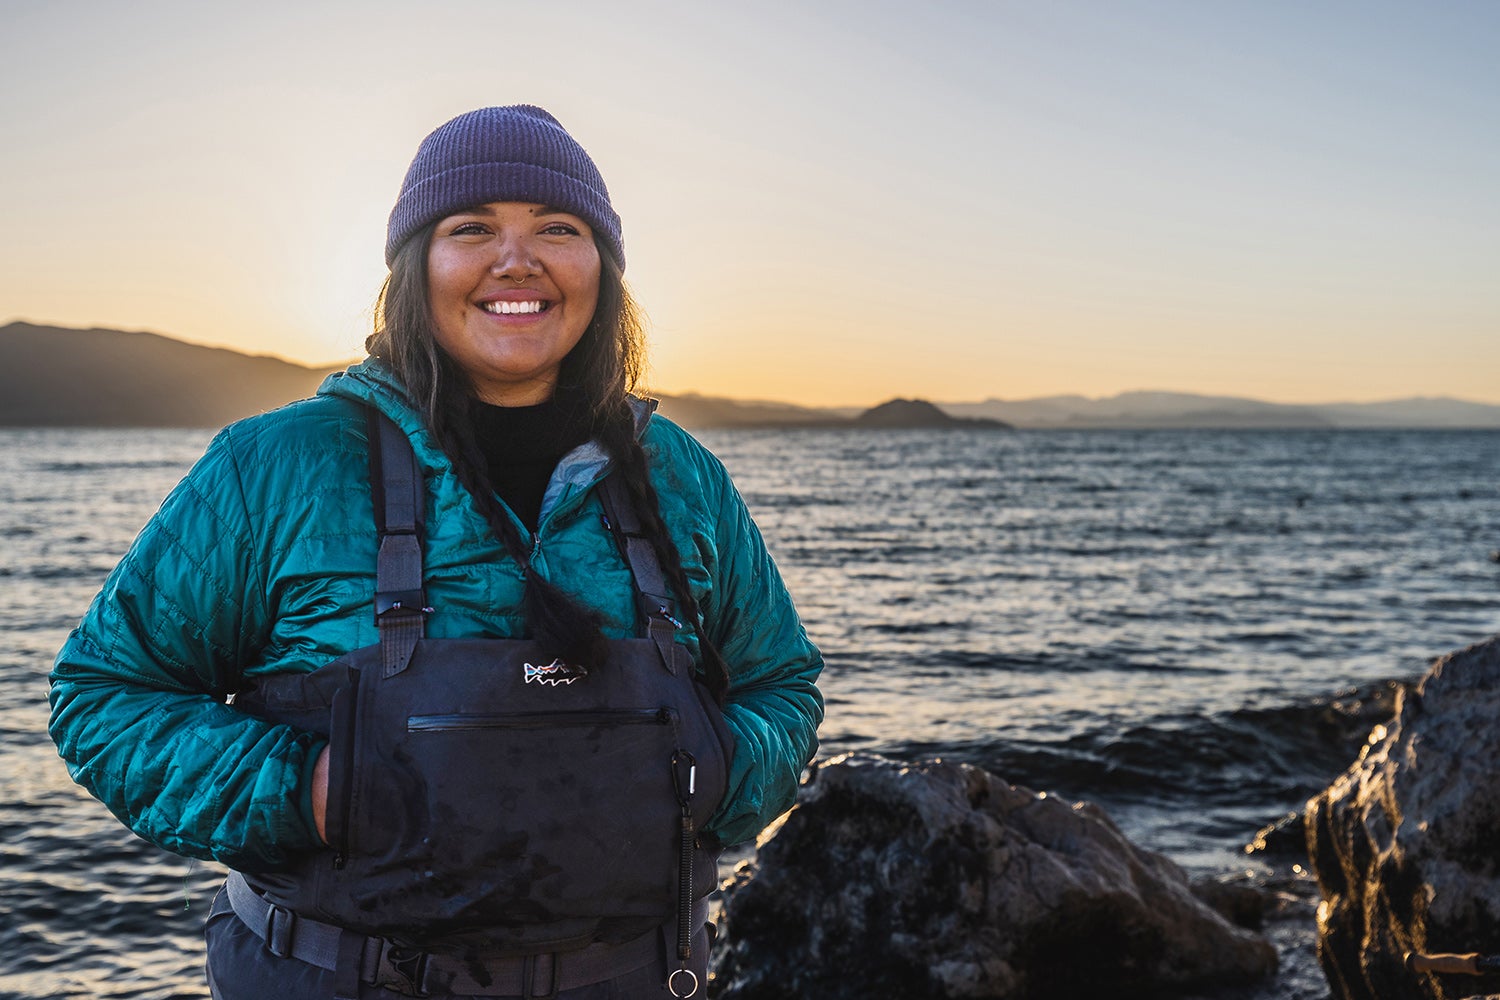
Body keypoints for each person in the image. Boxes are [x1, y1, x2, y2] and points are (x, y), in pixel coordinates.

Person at [48, 105, 824, 999]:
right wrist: (314, 789)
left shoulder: (679, 474)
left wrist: (718, 775)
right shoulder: (280, 464)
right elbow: (104, 695)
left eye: (557, 229)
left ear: (602, 271)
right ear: (416, 268)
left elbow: (781, 683)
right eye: (472, 229)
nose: (517, 259)